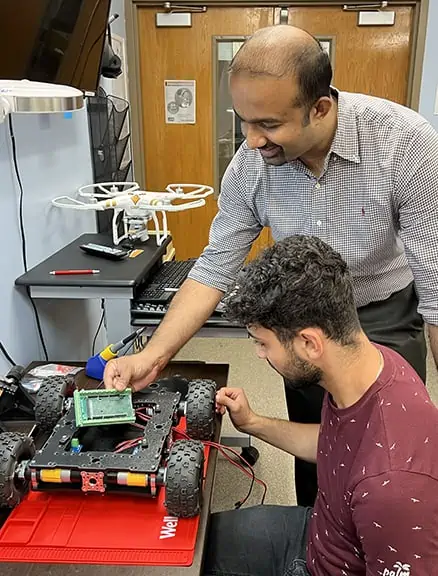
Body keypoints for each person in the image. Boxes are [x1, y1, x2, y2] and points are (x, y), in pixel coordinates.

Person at [104, 25, 438, 507]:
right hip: (300, 320)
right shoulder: (250, 165)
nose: (253, 140)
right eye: (243, 120)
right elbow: (214, 268)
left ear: (320, 107)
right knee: (320, 460)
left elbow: (436, 293)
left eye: (269, 124)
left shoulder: (405, 145)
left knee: (390, 456)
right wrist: (152, 356)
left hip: (383, 313)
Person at [202, 235, 438, 576]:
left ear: (310, 343)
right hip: (319, 533)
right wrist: (252, 422)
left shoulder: (392, 488)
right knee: (193, 545)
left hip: (325, 566)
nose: (259, 354)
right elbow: (335, 445)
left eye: (264, 344)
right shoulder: (372, 365)